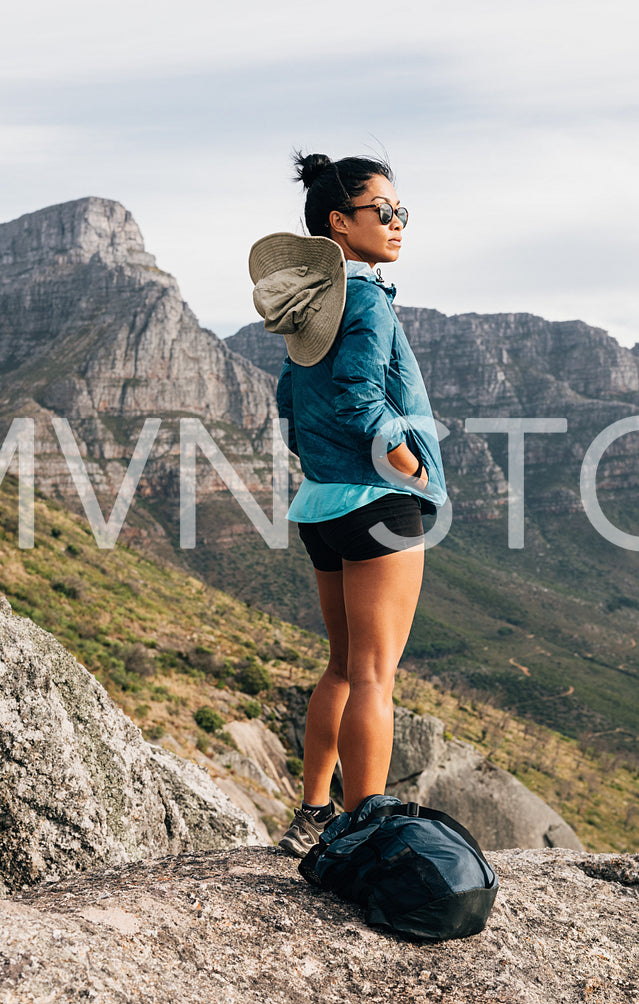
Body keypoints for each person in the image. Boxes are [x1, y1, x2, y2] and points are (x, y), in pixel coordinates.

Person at [248, 151, 447, 856]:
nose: (396, 224)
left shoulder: (310, 305)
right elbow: (362, 398)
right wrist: (411, 467)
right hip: (378, 504)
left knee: (339, 665)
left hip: (322, 505)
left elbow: (288, 403)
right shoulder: (363, 298)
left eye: (400, 213)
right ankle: (364, 826)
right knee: (373, 675)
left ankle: (312, 815)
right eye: (383, 212)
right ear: (339, 221)